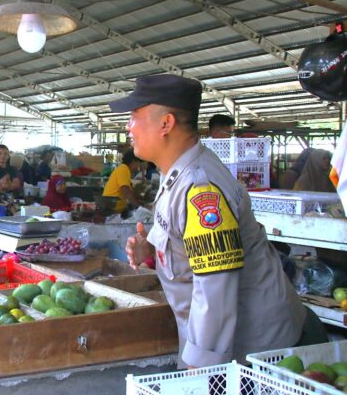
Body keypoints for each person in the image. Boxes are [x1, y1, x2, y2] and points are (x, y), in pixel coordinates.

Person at [115, 74, 326, 368]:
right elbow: (190, 250)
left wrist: (198, 370)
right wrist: (152, 252)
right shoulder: (174, 174)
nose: (128, 127)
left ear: (166, 123)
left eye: (135, 116)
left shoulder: (201, 187)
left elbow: (216, 290)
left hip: (265, 355)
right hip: (239, 349)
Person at [102, 148, 143, 213]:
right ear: (133, 162)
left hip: (114, 208)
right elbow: (126, 191)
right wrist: (140, 207)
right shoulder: (124, 169)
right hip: (112, 209)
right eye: (138, 163)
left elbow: (129, 191)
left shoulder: (124, 170)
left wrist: (140, 199)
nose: (139, 166)